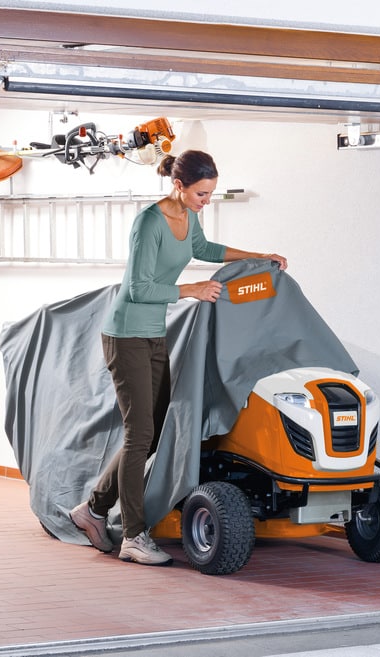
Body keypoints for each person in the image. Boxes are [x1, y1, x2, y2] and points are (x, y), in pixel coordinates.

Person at [70, 149, 287, 566]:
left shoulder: (190, 217)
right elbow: (138, 288)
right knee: (139, 434)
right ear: (179, 185)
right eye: (202, 193)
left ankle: (92, 509)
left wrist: (258, 258)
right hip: (126, 333)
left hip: (153, 333)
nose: (206, 200)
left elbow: (206, 247)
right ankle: (133, 534)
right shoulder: (149, 223)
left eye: (210, 194)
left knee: (150, 433)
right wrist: (193, 289)